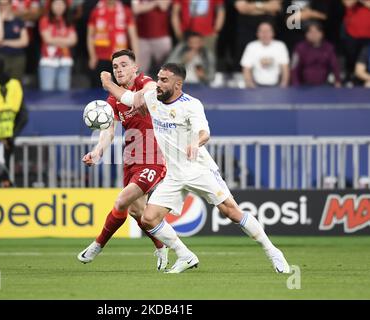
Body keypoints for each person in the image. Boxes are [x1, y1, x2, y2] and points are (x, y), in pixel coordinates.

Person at [101, 62, 290, 274]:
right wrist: (108, 83)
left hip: (198, 168)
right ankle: (185, 256)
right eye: (158, 78)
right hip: (173, 173)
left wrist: (195, 143)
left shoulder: (191, 104)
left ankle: (273, 252)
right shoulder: (152, 97)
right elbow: (127, 98)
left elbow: (204, 132)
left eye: (164, 80)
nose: (158, 84)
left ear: (178, 84)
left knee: (232, 212)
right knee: (148, 218)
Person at [77, 49, 168, 270]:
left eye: (124, 65)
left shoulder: (145, 83)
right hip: (132, 159)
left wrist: (109, 84)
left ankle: (97, 245)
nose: (119, 70)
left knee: (121, 202)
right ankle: (163, 247)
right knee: (139, 212)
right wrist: (97, 152)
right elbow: (108, 130)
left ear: (135, 68)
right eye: (115, 66)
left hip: (154, 157)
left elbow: (142, 97)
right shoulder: (113, 101)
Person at [86, 0, 139, 87]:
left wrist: (135, 59)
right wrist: (92, 56)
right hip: (100, 57)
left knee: (122, 88)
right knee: (99, 87)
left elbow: (133, 36)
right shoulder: (96, 11)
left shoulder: (126, 11)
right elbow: (90, 35)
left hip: (121, 57)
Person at [38, 0, 78, 91]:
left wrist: (55, 39)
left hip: (65, 60)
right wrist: (65, 40)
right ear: (51, 5)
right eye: (56, 4)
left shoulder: (68, 21)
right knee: (47, 92)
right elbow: (47, 39)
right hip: (48, 60)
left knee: (64, 92)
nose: (59, 6)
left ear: (65, 6)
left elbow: (74, 40)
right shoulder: (45, 20)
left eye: (61, 4)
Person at [291, 22, 341, 87]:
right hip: (304, 86)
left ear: (322, 33)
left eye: (316, 32)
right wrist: (296, 85)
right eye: (310, 32)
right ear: (306, 34)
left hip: (325, 86)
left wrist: (337, 81)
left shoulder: (329, 47)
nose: (313, 35)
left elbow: (335, 66)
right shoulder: (299, 48)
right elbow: (294, 68)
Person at [241, 21, 290, 88]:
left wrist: (283, 85)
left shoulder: (280, 46)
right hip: (256, 86)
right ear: (257, 34)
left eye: (267, 31)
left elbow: (285, 67)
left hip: (276, 86)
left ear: (273, 33)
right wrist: (251, 87)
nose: (265, 34)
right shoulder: (251, 46)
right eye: (262, 31)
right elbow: (246, 69)